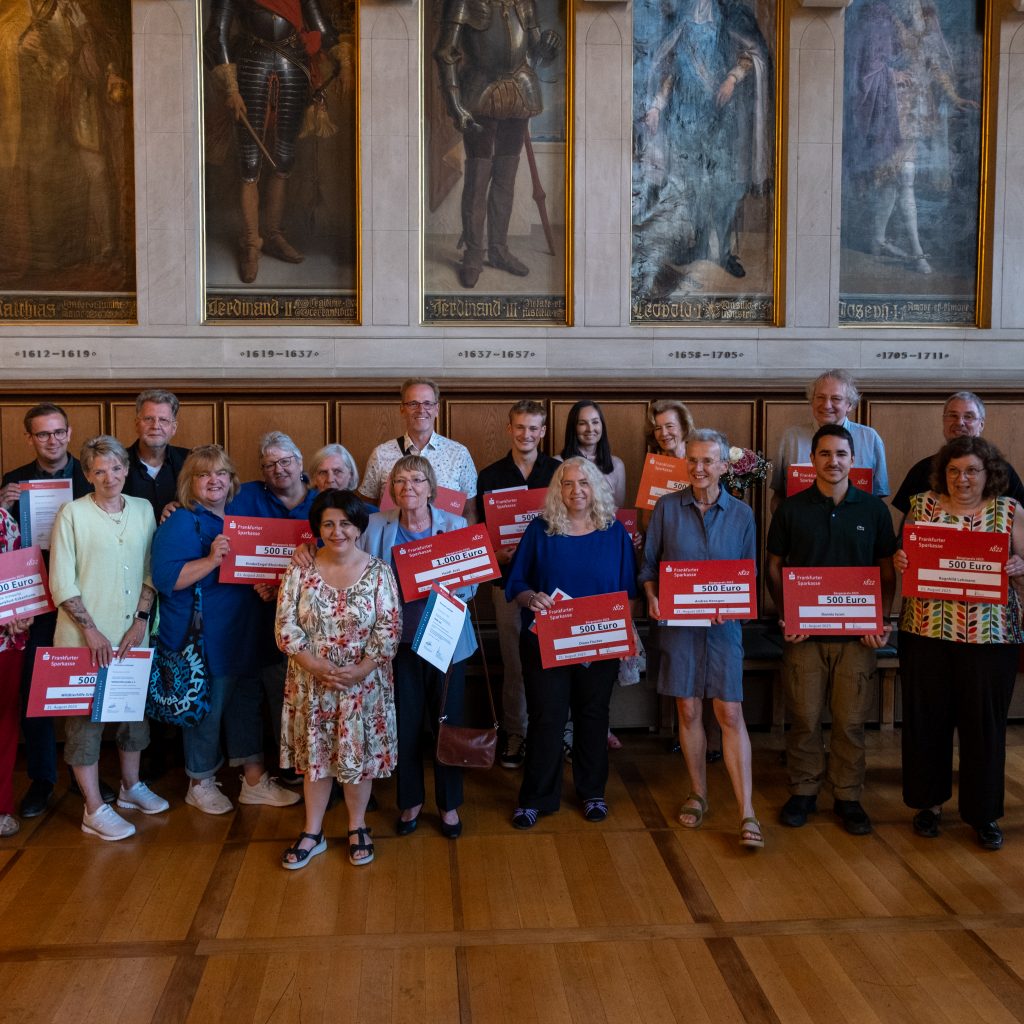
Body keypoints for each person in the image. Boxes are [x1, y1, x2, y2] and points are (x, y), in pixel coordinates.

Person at [151, 445, 299, 815]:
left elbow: (255, 564)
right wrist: (211, 560)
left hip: (242, 628)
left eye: (220, 474)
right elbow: (167, 578)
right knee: (208, 709)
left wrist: (266, 583)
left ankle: (253, 780)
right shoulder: (183, 521)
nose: (213, 481)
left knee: (244, 704)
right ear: (190, 482)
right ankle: (199, 782)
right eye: (203, 475)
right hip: (202, 636)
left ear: (232, 481)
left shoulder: (238, 515)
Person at [894, 436, 1024, 851]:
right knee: (926, 721)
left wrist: (1021, 567)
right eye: (953, 470)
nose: (962, 479)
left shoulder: (1010, 511)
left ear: (989, 474)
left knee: (983, 727)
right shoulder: (922, 507)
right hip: (926, 634)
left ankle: (983, 814)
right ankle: (927, 805)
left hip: (990, 639)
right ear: (942, 473)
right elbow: (906, 556)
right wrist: (902, 560)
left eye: (971, 471)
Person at [767, 424, 896, 836]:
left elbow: (886, 569)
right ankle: (804, 790)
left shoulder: (873, 510)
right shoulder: (791, 508)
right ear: (813, 460)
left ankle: (847, 795)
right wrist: (786, 613)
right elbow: (774, 565)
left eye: (841, 454)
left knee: (850, 721)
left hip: (858, 637)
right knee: (803, 718)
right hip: (804, 636)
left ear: (853, 461)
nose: (833, 461)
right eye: (825, 454)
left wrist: (882, 619)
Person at [640, 430, 761, 847]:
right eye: (692, 460)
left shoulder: (743, 514)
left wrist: (734, 603)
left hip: (724, 629)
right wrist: (653, 597)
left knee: (729, 712)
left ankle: (747, 811)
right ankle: (699, 793)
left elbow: (749, 576)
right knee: (688, 710)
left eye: (708, 461)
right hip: (678, 628)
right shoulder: (666, 509)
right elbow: (649, 567)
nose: (699, 468)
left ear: (724, 467)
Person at [505, 457, 637, 829]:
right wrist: (532, 598)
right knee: (546, 718)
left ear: (595, 487)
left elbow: (626, 592)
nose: (576, 490)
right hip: (547, 642)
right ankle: (535, 797)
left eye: (583, 483)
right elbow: (516, 585)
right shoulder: (540, 530)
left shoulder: (614, 533)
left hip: (600, 642)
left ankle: (592, 791)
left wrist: (621, 638)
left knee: (593, 717)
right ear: (557, 490)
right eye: (567, 484)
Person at [48, 436, 168, 841]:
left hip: (134, 635)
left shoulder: (143, 509)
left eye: (116, 468)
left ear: (126, 469)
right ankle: (93, 807)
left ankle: (130, 788)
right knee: (86, 723)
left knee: (133, 715)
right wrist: (90, 628)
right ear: (87, 475)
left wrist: (140, 620)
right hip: (85, 640)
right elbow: (61, 581)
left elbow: (152, 569)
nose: (110, 476)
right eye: (99, 470)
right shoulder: (72, 514)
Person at [276, 489, 401, 868]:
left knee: (356, 758)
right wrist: (314, 665)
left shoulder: (380, 571)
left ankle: (357, 826)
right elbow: (286, 627)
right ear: (317, 528)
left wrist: (360, 669)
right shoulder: (299, 570)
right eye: (328, 523)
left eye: (345, 523)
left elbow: (390, 628)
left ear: (359, 526)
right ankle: (312, 832)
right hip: (312, 684)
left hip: (363, 685)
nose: (337, 531)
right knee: (317, 759)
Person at [360, 456, 477, 839]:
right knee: (406, 724)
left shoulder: (455, 524)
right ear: (391, 489)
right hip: (399, 642)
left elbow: (472, 585)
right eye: (400, 481)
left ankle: (449, 804)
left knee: (447, 724)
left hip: (446, 642)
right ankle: (410, 800)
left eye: (416, 479)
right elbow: (361, 576)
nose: (408, 487)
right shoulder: (377, 526)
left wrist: (451, 587)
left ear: (431, 487)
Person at [203, 0, 352, 284]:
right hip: (251, 63)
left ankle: (272, 234)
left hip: (292, 65)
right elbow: (217, 32)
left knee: (283, 158)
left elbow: (319, 24)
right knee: (250, 162)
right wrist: (230, 88)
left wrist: (343, 61)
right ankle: (251, 242)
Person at [633, 0, 772, 298]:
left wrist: (733, 78)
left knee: (724, 185)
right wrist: (657, 106)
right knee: (693, 182)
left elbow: (754, 55)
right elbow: (670, 69)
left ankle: (721, 250)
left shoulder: (733, 15)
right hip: (686, 116)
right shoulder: (681, 16)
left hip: (722, 118)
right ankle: (697, 246)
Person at [0, 403, 94, 820]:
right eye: (42, 434)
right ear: (29, 438)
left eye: (58, 432)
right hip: (36, 600)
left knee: (84, 683)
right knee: (34, 692)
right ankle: (42, 777)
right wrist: (2, 504)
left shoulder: (90, 475)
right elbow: (9, 551)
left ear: (70, 433)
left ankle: (83, 773)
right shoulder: (14, 482)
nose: (52, 440)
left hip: (83, 595)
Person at [432, 0, 562, 289]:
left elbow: (535, 51)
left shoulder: (523, 2)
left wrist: (549, 46)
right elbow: (446, 53)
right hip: (480, 90)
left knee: (506, 175)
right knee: (478, 178)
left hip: (521, 90)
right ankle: (474, 254)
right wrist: (455, 105)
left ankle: (499, 250)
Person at [844, 0, 978, 277]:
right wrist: (892, 74)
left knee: (898, 182)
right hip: (888, 114)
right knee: (903, 179)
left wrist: (954, 97)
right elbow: (864, 64)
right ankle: (917, 252)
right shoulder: (880, 15)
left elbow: (933, 62)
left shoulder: (925, 14)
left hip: (913, 115)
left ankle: (878, 239)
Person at [228, 431, 318, 782]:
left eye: (285, 462)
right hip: (252, 613)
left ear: (300, 463)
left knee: (299, 691)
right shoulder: (245, 495)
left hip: (309, 620)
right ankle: (260, 769)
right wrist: (176, 505)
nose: (279, 469)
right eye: (270, 465)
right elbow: (212, 511)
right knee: (251, 690)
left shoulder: (323, 501)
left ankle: (299, 763)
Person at [476, 400, 560, 770]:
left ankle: (557, 733)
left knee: (557, 661)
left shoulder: (559, 472)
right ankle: (516, 734)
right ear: (509, 429)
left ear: (543, 432)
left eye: (534, 428)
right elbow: (479, 536)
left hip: (554, 586)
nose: (527, 434)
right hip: (509, 583)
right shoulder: (490, 476)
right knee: (514, 664)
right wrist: (497, 554)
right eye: (520, 427)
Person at [359, 379, 477, 519]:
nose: (421, 410)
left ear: (436, 409)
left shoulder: (459, 454)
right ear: (402, 409)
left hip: (446, 539)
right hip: (396, 540)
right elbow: (366, 511)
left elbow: (470, 512)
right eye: (413, 404)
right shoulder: (381, 454)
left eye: (428, 403)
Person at [892, 392, 1024, 517]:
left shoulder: (1002, 471)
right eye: (953, 415)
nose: (960, 422)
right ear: (944, 421)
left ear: (981, 424)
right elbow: (908, 532)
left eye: (968, 416)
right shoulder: (921, 470)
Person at [770, 370, 888, 510]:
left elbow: (878, 496)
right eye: (820, 397)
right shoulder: (791, 438)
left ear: (849, 405)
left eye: (836, 399)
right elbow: (779, 495)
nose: (826, 405)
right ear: (812, 401)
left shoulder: (869, 438)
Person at [0, 508, 33, 838]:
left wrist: (21, 611)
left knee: (4, 722)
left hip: (3, 642)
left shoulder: (3, 519)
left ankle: (0, 805)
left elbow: (18, 574)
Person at [123, 389, 189, 523]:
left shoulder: (190, 461)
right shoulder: (117, 463)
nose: (155, 426)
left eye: (163, 420)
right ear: (137, 424)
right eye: (148, 419)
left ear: (174, 428)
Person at [558, 399, 627, 512]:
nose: (590, 429)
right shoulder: (557, 462)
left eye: (595, 422)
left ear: (602, 425)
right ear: (573, 428)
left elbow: (618, 510)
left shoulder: (617, 465)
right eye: (582, 423)